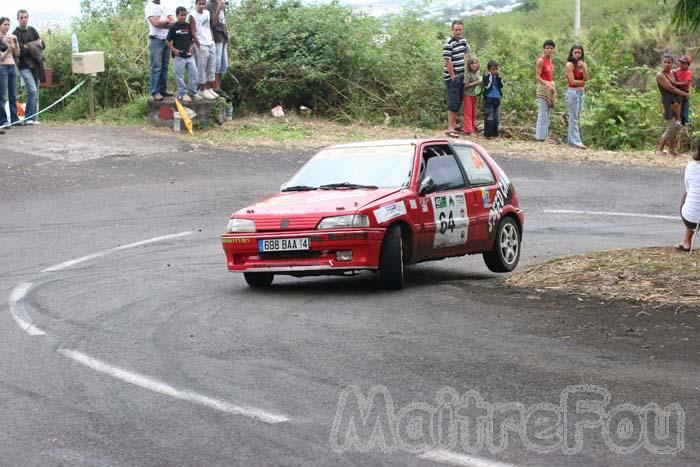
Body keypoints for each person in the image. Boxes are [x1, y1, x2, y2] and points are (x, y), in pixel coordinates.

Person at [13, 9, 44, 125]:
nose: (23, 19)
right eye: (21, 17)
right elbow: (20, 52)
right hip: (23, 66)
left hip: (35, 65)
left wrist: (30, 46)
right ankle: (28, 118)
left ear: (28, 18)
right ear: (18, 19)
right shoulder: (15, 33)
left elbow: (42, 44)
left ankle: (33, 119)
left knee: (36, 93)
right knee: (32, 90)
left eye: (25, 17)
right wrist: (34, 45)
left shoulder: (32, 30)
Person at [656, 54, 689, 157]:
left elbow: (684, 80)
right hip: (667, 104)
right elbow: (671, 88)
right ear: (662, 63)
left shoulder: (673, 73)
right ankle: (659, 149)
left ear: (672, 64)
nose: (666, 64)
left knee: (676, 126)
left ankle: (671, 150)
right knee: (672, 126)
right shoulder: (660, 75)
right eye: (665, 62)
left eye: (669, 62)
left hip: (676, 102)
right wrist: (685, 94)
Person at [167, 7, 201, 103]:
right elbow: (167, 41)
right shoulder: (174, 27)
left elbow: (192, 39)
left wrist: (192, 46)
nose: (183, 17)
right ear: (177, 15)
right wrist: (174, 50)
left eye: (185, 15)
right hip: (179, 57)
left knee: (194, 74)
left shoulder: (188, 26)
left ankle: (193, 92)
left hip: (189, 56)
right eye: (181, 15)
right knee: (180, 76)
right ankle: (183, 94)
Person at [443, 20, 470, 138]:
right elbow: (447, 61)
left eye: (460, 29)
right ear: (452, 30)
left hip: (461, 76)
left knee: (458, 102)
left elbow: (468, 50)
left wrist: (463, 60)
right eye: (456, 30)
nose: (458, 32)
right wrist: (453, 75)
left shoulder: (463, 41)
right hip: (452, 77)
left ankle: (453, 126)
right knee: (453, 102)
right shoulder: (448, 43)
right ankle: (450, 128)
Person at [146, 0, 175, 101]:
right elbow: (155, 23)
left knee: (165, 67)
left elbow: (173, 22)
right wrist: (166, 22)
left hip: (166, 40)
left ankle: (163, 90)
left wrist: (163, 22)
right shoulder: (149, 6)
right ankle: (155, 91)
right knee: (156, 67)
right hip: (156, 40)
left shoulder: (165, 5)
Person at [675, 138, 700, 252]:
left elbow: (688, 188)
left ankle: (686, 241)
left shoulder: (691, 166)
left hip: (689, 218)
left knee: (688, 194)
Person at [190, 0, 218, 100]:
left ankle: (210, 88)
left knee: (211, 66)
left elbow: (209, 27)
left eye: (203, 4)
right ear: (196, 4)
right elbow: (193, 31)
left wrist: (212, 39)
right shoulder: (193, 15)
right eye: (199, 4)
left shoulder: (207, 13)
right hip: (201, 43)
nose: (201, 6)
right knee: (202, 67)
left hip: (210, 42)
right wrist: (198, 44)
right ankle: (202, 90)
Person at [565, 44, 590, 149]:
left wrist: (583, 67)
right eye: (575, 52)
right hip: (573, 93)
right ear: (571, 53)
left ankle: (571, 140)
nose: (577, 55)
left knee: (577, 117)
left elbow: (587, 79)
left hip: (581, 93)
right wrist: (581, 83)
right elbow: (572, 81)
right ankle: (576, 141)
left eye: (579, 53)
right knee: (573, 118)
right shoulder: (569, 65)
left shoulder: (583, 64)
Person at [0, 17, 20, 130]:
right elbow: (1, 57)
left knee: (13, 95)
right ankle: (3, 121)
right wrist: (8, 48)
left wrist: (15, 44)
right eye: (4, 24)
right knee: (2, 96)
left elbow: (17, 53)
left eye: (8, 24)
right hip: (2, 68)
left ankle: (15, 119)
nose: (7, 27)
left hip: (12, 67)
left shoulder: (11, 37)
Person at [535, 39, 556, 142]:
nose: (549, 50)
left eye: (551, 48)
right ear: (544, 49)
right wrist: (547, 84)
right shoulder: (541, 60)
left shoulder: (550, 61)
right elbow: (538, 77)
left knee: (547, 112)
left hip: (550, 87)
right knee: (542, 112)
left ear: (553, 50)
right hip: (543, 88)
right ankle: (539, 137)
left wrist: (551, 86)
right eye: (547, 48)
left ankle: (544, 136)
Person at [206, 0, 228, 96]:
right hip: (216, 36)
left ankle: (218, 88)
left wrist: (227, 33)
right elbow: (213, 24)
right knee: (216, 64)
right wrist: (218, 8)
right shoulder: (209, 5)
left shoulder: (222, 4)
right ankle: (214, 88)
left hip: (223, 36)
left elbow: (224, 20)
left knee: (224, 64)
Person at [482, 60, 504, 139]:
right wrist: (490, 77)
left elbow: (501, 86)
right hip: (489, 98)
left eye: (496, 69)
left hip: (497, 98)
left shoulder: (497, 77)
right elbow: (487, 86)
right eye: (493, 69)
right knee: (489, 117)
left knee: (496, 117)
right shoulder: (486, 76)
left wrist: (498, 77)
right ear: (489, 70)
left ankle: (495, 134)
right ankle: (488, 134)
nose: (495, 71)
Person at [462, 57, 480, 135]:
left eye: (475, 63)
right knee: (468, 113)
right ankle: (468, 130)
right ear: (469, 65)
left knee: (473, 113)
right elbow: (465, 85)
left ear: (478, 64)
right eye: (472, 63)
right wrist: (477, 82)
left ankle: (473, 128)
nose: (474, 65)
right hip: (468, 95)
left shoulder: (478, 73)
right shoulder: (468, 74)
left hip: (475, 95)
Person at [674, 55, 693, 126]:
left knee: (685, 106)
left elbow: (686, 82)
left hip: (684, 91)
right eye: (680, 62)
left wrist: (676, 83)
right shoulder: (677, 70)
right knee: (678, 105)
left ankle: (684, 120)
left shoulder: (688, 72)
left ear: (688, 65)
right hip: (677, 89)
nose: (681, 64)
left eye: (684, 63)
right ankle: (679, 119)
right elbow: (672, 73)